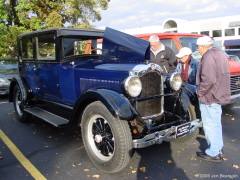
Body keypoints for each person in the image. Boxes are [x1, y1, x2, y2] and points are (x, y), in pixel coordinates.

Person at [195, 36, 231, 162]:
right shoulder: (220, 53)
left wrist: (199, 92)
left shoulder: (209, 57)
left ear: (204, 47)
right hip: (218, 94)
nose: (198, 50)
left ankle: (214, 153)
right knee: (216, 124)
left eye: (198, 47)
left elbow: (208, 80)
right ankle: (218, 148)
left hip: (210, 96)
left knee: (210, 125)